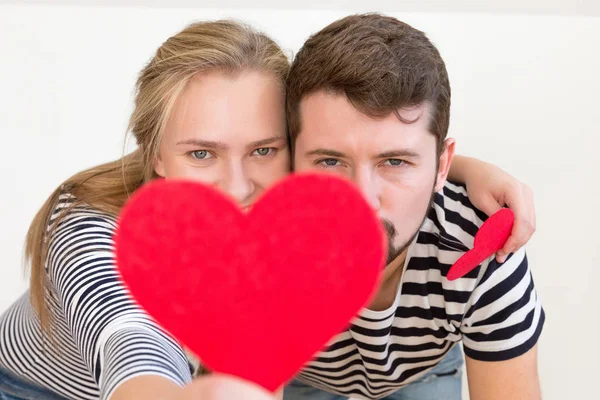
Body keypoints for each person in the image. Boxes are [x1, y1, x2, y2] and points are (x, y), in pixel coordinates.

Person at [0, 19, 534, 400]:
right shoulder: (92, 227)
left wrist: (461, 171)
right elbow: (130, 341)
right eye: (201, 153)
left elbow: (369, 143)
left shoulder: (285, 222)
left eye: (263, 150)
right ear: (155, 154)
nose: (237, 187)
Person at [282, 14, 544, 400]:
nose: (363, 199)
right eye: (330, 161)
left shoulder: (482, 250)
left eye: (395, 162)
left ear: (442, 165)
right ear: (290, 161)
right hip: (303, 375)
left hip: (423, 373)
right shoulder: (261, 246)